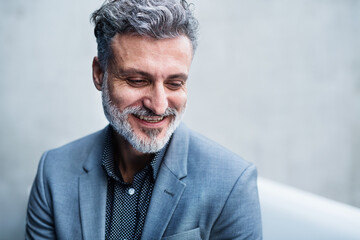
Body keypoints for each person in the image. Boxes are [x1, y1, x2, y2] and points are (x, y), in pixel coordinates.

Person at [25, 0, 262, 239]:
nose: (159, 105)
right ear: (99, 74)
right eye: (138, 81)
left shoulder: (232, 183)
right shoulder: (54, 172)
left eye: (174, 83)